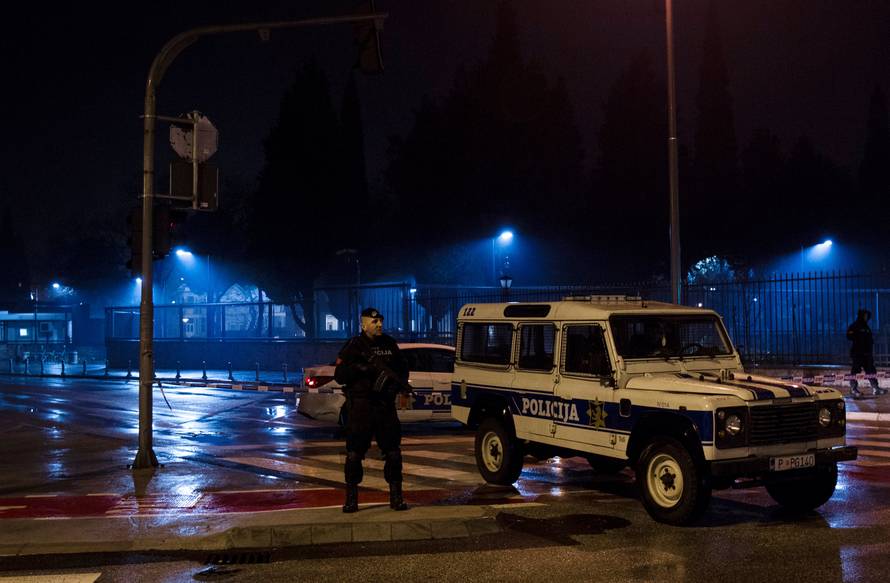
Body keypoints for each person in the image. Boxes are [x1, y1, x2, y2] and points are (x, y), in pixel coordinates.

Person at [335, 307, 411, 513]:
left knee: (393, 453)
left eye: (380, 322)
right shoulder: (353, 346)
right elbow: (340, 375)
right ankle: (351, 499)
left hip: (384, 406)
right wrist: (359, 369)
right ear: (363, 324)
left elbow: (402, 370)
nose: (379, 325)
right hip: (361, 406)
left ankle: (396, 497)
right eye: (374, 322)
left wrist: (395, 386)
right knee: (354, 455)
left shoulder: (389, 344)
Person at [846, 308, 887, 399]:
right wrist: (857, 338)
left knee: (871, 371)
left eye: (867, 316)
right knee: (855, 371)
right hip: (857, 353)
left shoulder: (866, 327)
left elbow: (869, 339)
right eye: (865, 315)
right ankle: (853, 388)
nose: (866, 317)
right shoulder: (855, 325)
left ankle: (875, 388)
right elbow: (849, 335)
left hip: (867, 354)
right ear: (861, 316)